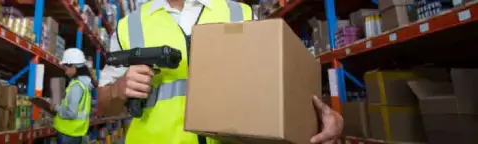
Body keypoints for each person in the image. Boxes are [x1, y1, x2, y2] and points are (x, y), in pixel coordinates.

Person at [96, 0, 344, 143]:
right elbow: (104, 105)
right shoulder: (129, 25)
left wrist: (319, 120)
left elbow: (280, 81)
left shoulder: (239, 13)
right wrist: (119, 90)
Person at [53, 48, 95, 144]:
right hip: (76, 132)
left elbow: (71, 114)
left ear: (73, 66)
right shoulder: (85, 84)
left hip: (67, 134)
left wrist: (56, 108)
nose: (65, 72)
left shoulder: (77, 85)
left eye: (66, 68)